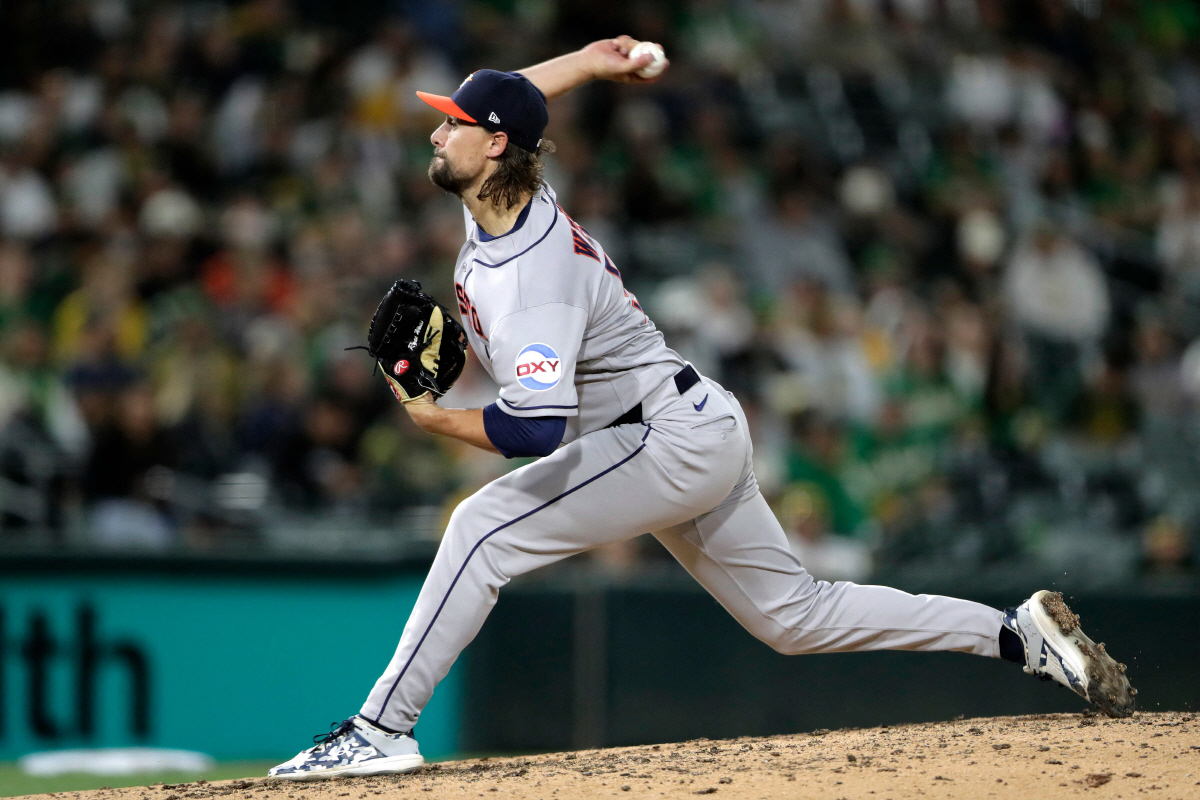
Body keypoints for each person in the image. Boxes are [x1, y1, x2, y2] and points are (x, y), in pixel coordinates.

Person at [268, 38, 1134, 781]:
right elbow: (516, 102)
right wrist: (588, 63)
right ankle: (1016, 635)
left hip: (660, 440)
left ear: (493, 148)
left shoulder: (528, 275)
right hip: (689, 422)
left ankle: (377, 732)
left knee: (480, 532)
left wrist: (437, 418)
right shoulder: (505, 190)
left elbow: (533, 430)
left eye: (451, 122)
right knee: (797, 619)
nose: (436, 128)